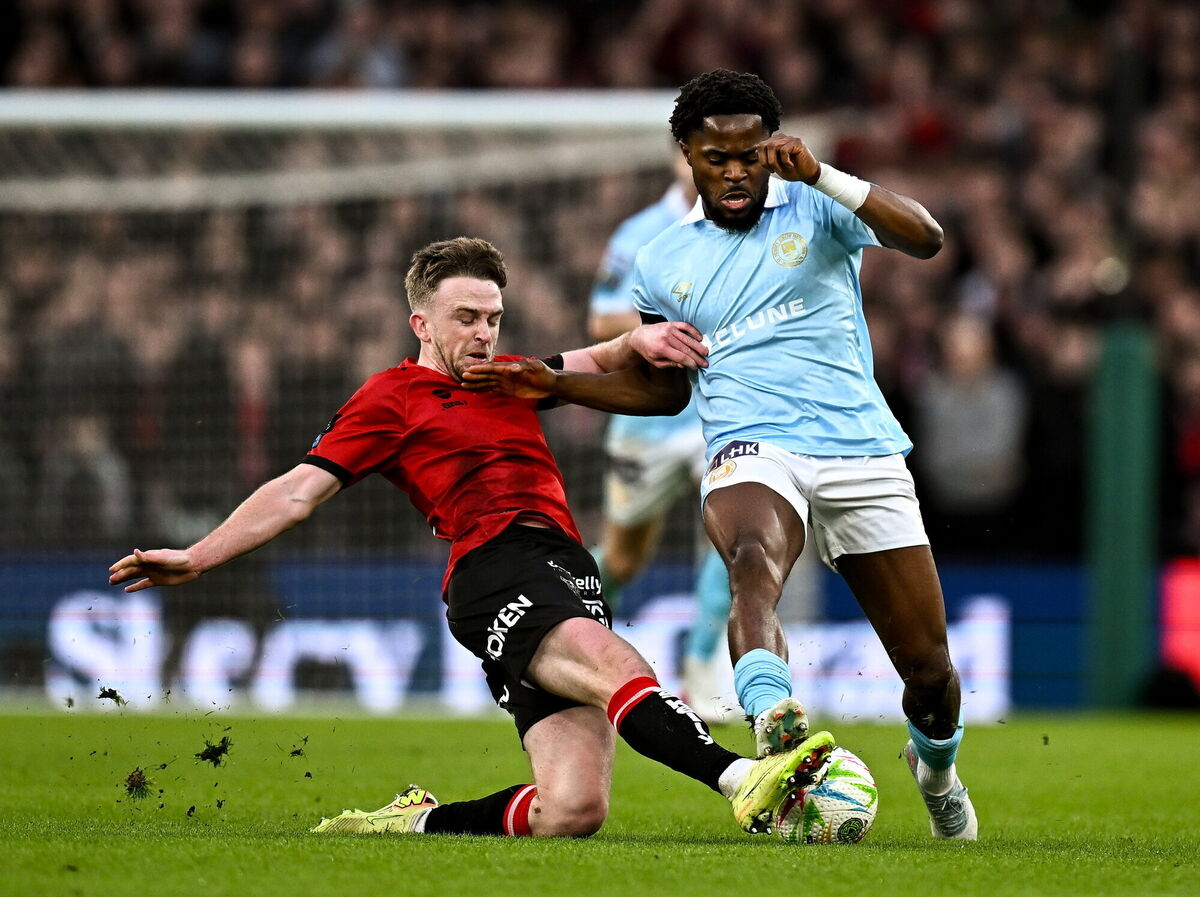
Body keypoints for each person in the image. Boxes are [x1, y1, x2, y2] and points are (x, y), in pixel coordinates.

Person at [109, 236, 835, 839]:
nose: (483, 332)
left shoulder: (512, 377)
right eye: (465, 317)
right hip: (492, 569)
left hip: (565, 567)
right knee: (618, 663)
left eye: (492, 316)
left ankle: (414, 823)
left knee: (573, 808)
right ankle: (746, 778)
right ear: (421, 323)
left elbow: (599, 362)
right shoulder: (389, 398)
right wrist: (199, 555)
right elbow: (298, 490)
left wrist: (637, 336)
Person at [465, 70, 977, 840]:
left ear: (770, 149)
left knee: (929, 672)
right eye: (715, 158)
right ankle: (773, 720)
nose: (734, 172)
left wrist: (828, 177)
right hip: (750, 440)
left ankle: (935, 768)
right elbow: (665, 391)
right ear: (687, 156)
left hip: (858, 446)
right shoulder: (662, 260)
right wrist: (560, 383)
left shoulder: (817, 205)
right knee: (748, 558)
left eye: (748, 155)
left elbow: (928, 238)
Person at [588, 152, 732, 721]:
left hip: (721, 416)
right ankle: (566, 642)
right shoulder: (641, 232)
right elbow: (601, 323)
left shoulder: (753, 227)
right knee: (622, 559)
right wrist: (678, 322)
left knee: (734, 539)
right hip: (648, 419)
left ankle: (703, 668)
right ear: (677, 155)